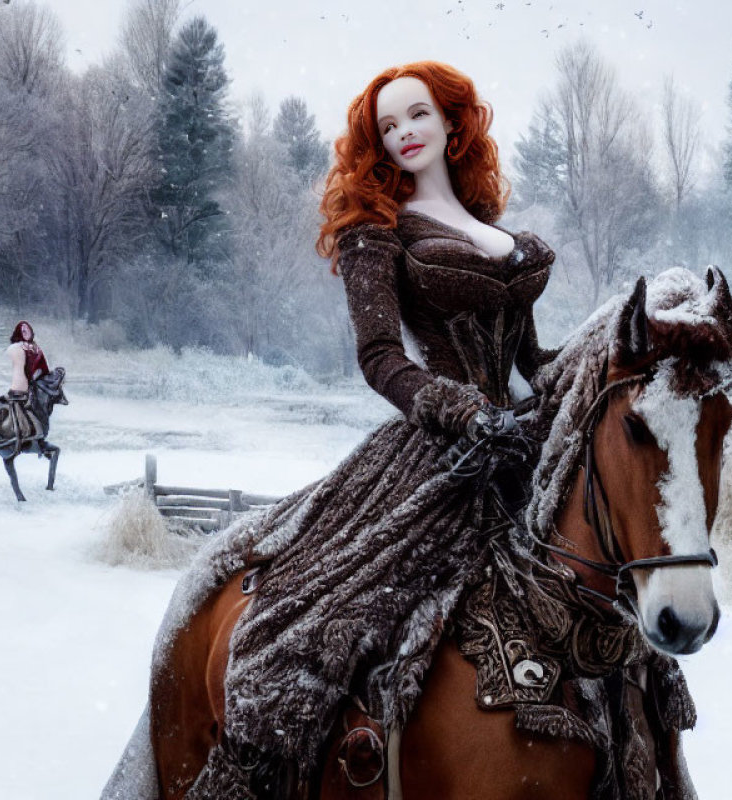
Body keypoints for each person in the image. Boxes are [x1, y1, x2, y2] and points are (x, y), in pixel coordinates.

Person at [166, 61, 558, 796]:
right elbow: (379, 358)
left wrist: (625, 354)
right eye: (387, 126)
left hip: (519, 445)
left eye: (417, 115)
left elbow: (535, 364)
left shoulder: (491, 231)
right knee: (323, 623)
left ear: (452, 121)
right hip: (436, 449)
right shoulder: (375, 233)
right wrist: (461, 409)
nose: (404, 133)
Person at [4, 320, 50, 447]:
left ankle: (38, 437)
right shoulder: (16, 348)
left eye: (28, 329)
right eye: (23, 330)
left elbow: (44, 369)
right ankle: (20, 439)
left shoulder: (37, 348)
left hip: (33, 387)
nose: (26, 332)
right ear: (19, 333)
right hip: (19, 386)